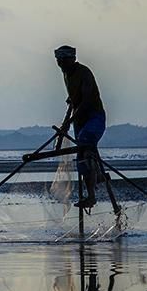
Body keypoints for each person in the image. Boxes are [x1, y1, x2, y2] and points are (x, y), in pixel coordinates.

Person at [54, 45, 105, 209]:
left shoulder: (84, 72)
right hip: (79, 121)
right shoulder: (66, 74)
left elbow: (86, 101)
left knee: (85, 143)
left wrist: (69, 121)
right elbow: (74, 100)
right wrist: (66, 124)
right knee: (82, 159)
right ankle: (92, 188)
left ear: (72, 59)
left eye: (63, 60)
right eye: (58, 61)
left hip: (94, 117)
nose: (61, 64)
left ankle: (95, 185)